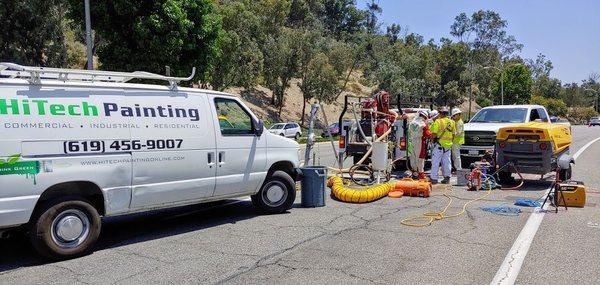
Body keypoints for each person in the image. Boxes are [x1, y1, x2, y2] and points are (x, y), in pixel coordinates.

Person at [429, 107, 455, 184]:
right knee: (447, 162)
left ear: (440, 113)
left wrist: (432, 140)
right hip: (448, 146)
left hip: (439, 145)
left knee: (435, 162)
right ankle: (447, 177)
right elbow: (453, 134)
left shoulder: (438, 121)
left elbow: (434, 134)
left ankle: (434, 178)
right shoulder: (452, 122)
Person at [408, 110, 432, 179]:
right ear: (425, 117)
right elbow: (427, 134)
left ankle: (415, 173)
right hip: (419, 141)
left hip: (411, 140)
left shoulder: (411, 122)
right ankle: (421, 174)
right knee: (420, 157)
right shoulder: (423, 124)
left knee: (413, 156)